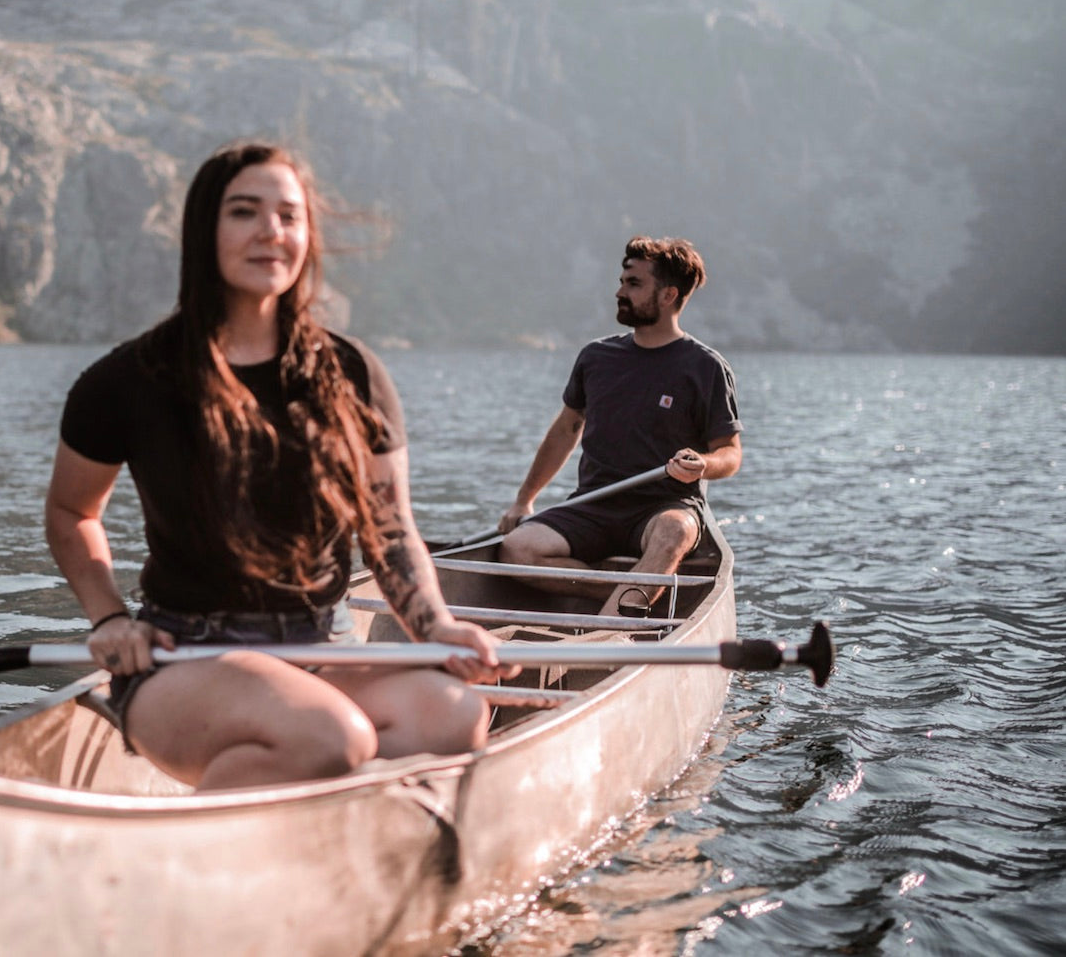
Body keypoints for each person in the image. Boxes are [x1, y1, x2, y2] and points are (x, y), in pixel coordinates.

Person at [45, 140, 516, 792]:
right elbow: (73, 511)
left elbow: (389, 528)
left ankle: (297, 815)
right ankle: (196, 860)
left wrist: (436, 625)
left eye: (290, 216)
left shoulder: (352, 373)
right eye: (245, 211)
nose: (272, 231)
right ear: (204, 229)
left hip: (320, 645)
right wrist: (109, 619)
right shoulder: (129, 379)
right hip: (182, 657)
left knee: (455, 713)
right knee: (331, 736)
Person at [496, 236, 742, 616]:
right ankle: (634, 590)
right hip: (593, 504)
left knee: (675, 532)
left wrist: (704, 465)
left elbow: (730, 453)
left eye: (634, 284)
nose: (619, 292)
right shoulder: (596, 357)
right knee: (516, 548)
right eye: (622, 281)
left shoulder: (706, 367)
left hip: (666, 505)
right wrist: (524, 499)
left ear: (667, 295)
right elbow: (566, 430)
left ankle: (608, 632)